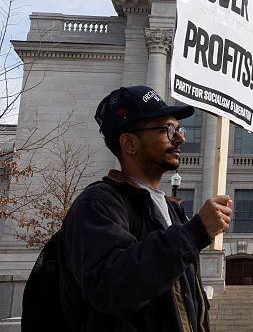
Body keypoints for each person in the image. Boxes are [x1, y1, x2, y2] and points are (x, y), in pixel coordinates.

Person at [58, 85, 232, 331]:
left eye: (179, 129)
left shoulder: (173, 211)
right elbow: (112, 287)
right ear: (129, 143)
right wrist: (193, 234)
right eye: (168, 130)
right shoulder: (98, 203)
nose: (181, 138)